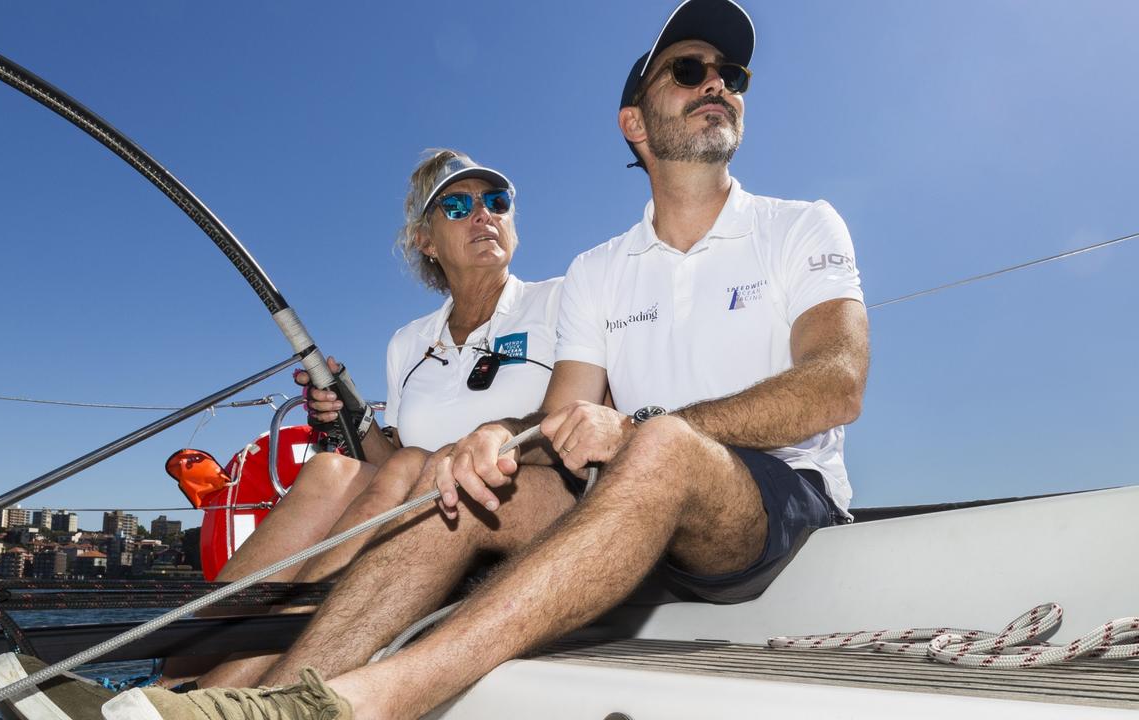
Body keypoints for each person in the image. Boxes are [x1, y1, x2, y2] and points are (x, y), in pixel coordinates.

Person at [68, 1, 871, 718]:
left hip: (775, 498)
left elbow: (837, 383)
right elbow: (562, 420)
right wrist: (499, 435)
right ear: (635, 121)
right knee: (455, 479)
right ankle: (268, 706)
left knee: (657, 446)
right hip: (627, 510)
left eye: (732, 74)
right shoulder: (600, 270)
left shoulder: (801, 227)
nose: (717, 84)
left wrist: (640, 431)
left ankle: (369, 702)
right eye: (690, 70)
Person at [178, 149, 566, 687]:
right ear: (426, 242)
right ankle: (172, 673)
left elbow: (583, 415)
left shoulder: (560, 302)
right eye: (457, 205)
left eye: (495, 201)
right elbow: (393, 468)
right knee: (330, 472)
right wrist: (352, 417)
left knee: (414, 466)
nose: (483, 214)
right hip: (424, 504)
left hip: (527, 506)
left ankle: (226, 690)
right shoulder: (408, 343)